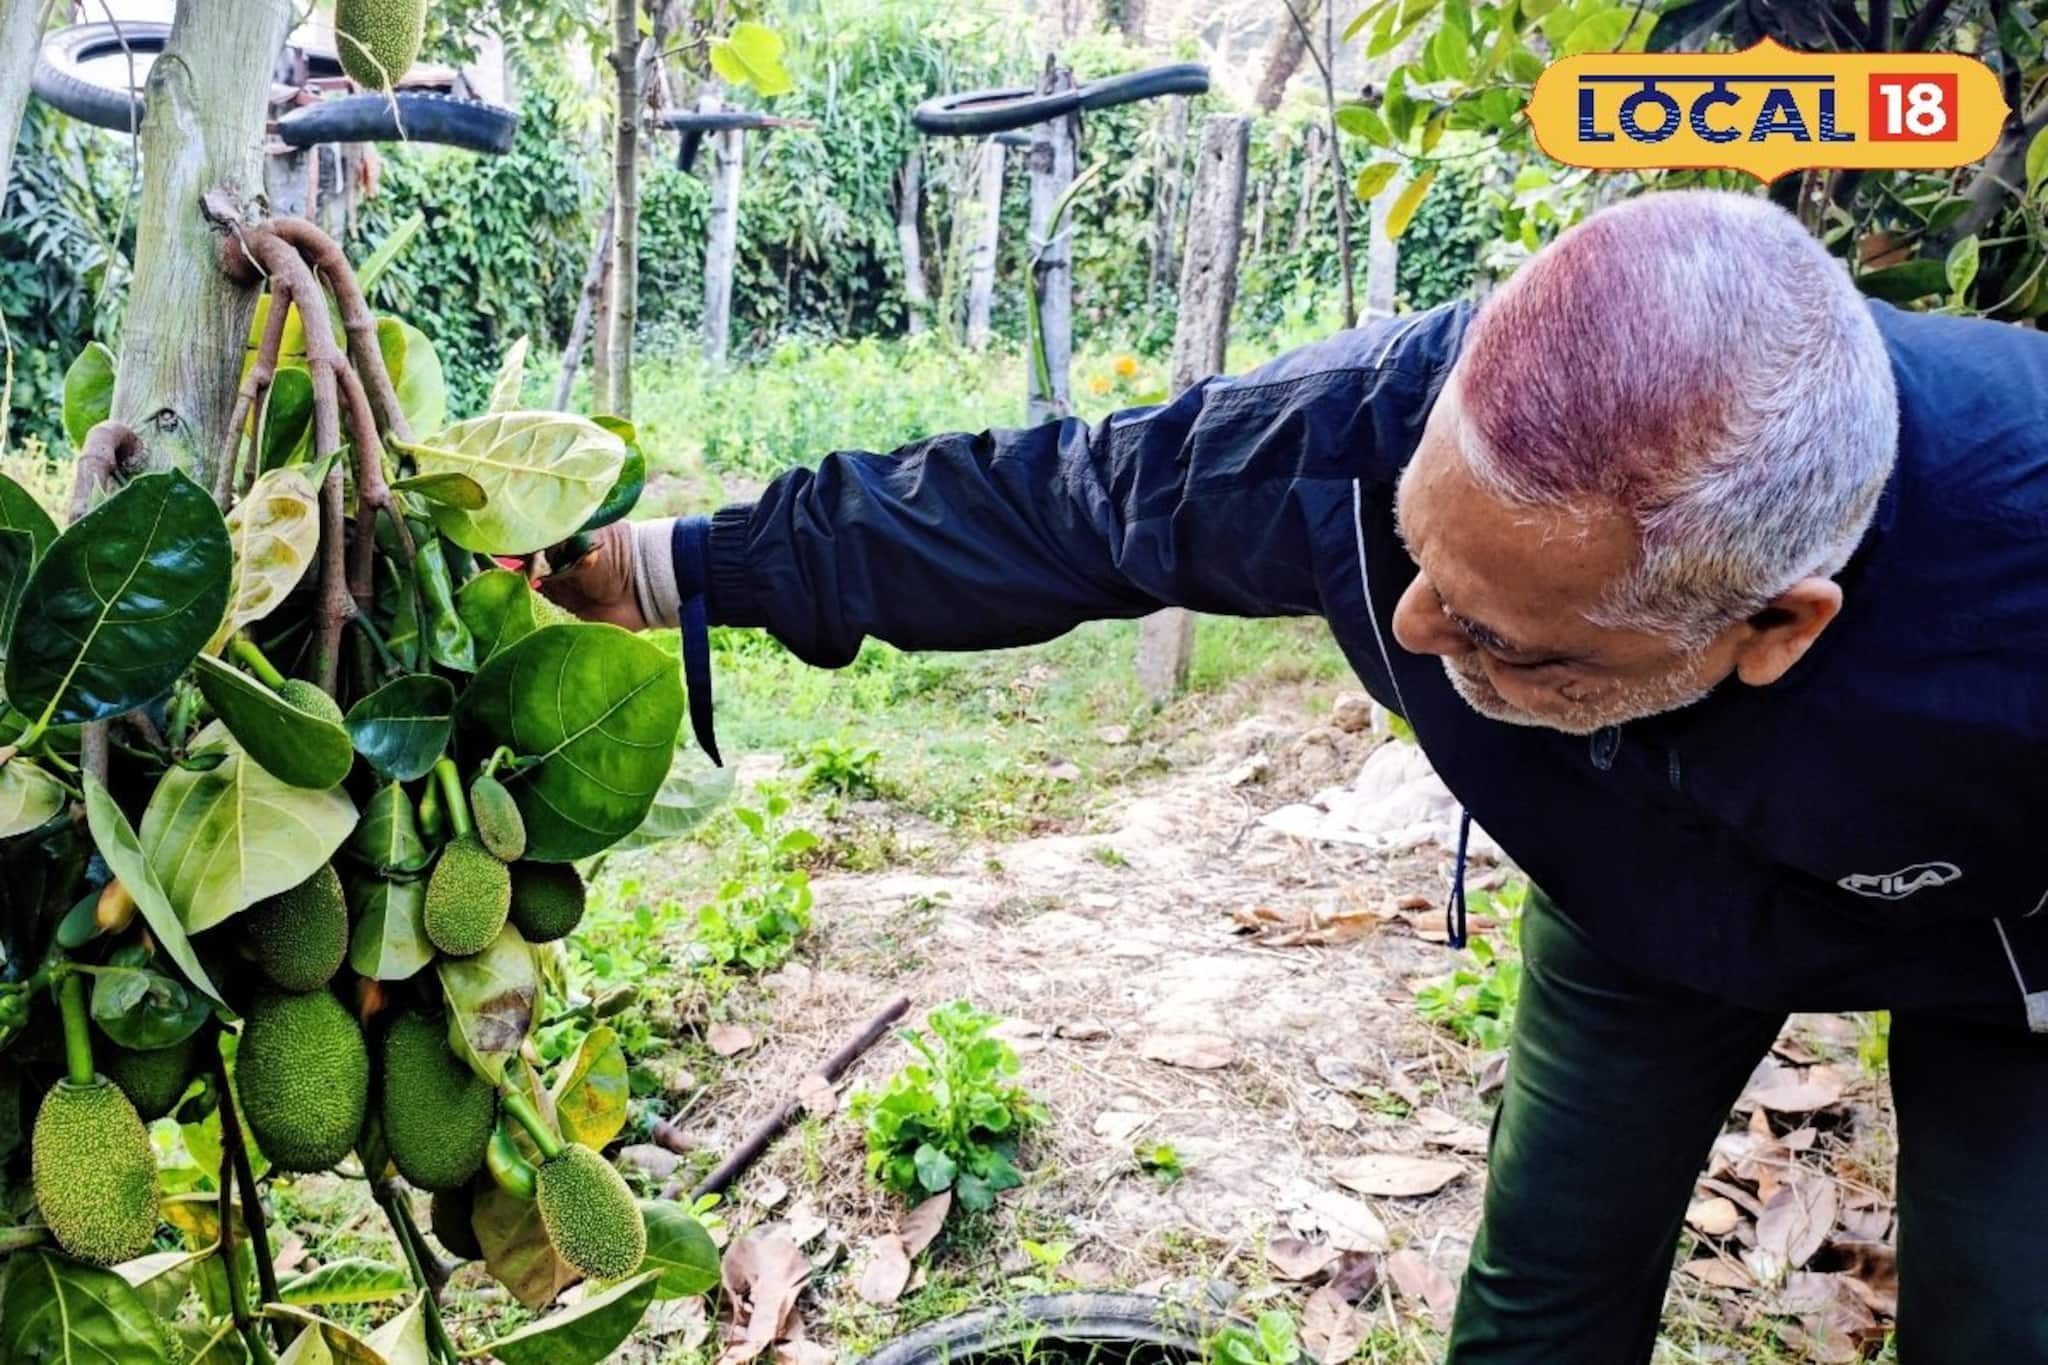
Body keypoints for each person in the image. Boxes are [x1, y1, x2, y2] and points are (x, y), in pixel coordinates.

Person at [542, 190, 2048, 1363]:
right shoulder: (1366, 428)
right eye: (1417, 553)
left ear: (1776, 626)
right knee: (1548, 1285)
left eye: (1501, 634)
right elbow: (1055, 506)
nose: (1416, 628)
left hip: (2002, 945)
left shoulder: (2020, 588)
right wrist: (667, 568)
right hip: (1636, 894)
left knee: (2006, 1316)